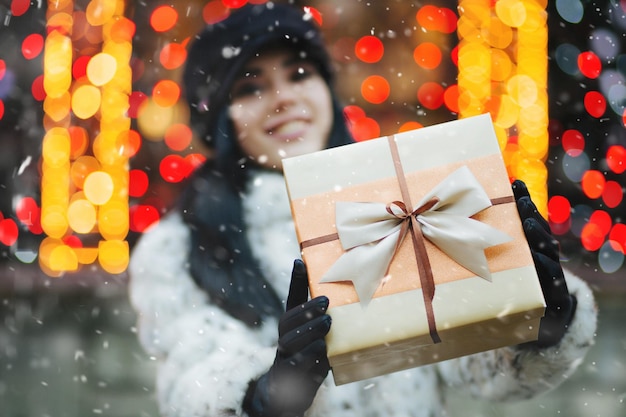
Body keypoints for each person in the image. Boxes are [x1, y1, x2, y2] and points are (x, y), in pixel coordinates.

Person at [128, 3, 597, 416]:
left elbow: (475, 368)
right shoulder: (178, 245)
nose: (284, 97)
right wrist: (267, 395)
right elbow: (189, 382)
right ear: (219, 119)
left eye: (298, 74)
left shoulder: (397, 199)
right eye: (251, 88)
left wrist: (541, 320)